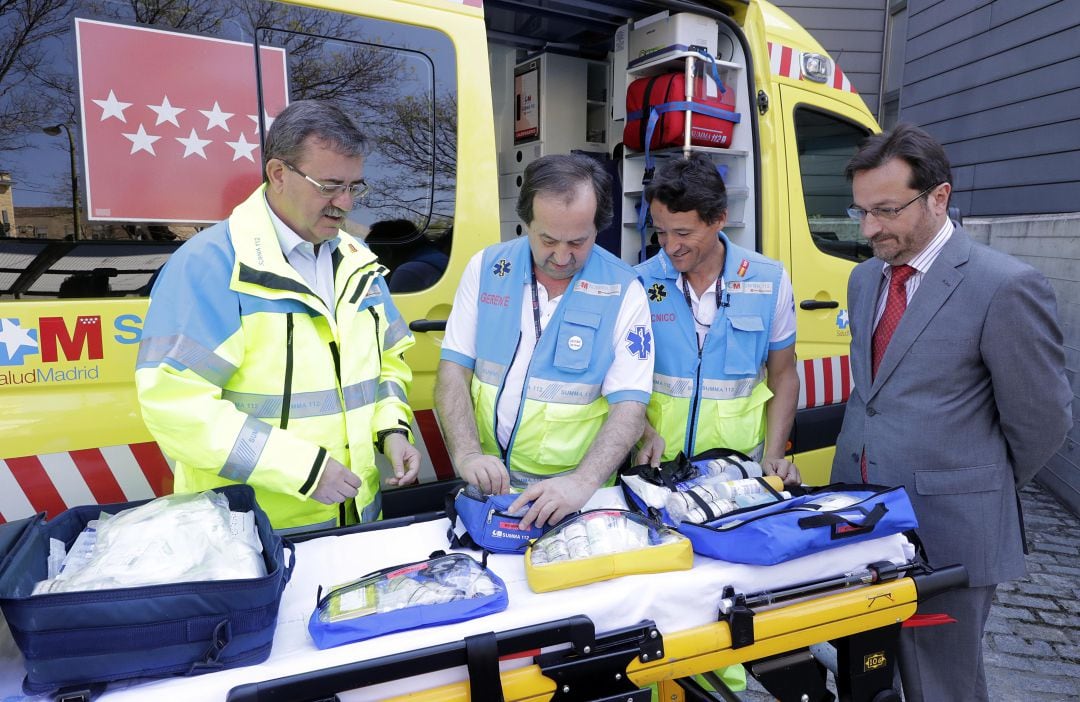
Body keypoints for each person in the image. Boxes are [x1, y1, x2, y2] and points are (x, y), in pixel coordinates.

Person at [833, 123, 1071, 702]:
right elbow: (877, 395)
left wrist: (978, 485)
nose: (869, 229)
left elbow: (1043, 418)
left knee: (942, 681)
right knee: (867, 673)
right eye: (861, 211)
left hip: (951, 529)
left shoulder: (1005, 286)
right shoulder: (865, 279)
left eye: (886, 210)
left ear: (939, 197)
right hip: (860, 517)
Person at [135, 100, 421, 533]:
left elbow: (387, 365)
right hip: (251, 535)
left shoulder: (358, 260)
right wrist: (301, 468)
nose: (344, 204)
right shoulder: (210, 265)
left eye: (354, 187)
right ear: (278, 174)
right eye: (328, 186)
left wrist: (392, 430)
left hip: (355, 520)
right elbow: (175, 405)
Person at [435, 154, 653, 530]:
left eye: (578, 242)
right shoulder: (487, 269)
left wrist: (582, 483)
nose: (562, 256)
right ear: (526, 223)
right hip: (490, 489)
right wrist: (468, 454)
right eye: (548, 240)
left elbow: (630, 407)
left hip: (579, 498)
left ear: (598, 228)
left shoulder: (625, 289)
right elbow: (453, 371)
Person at [635, 153, 800, 485]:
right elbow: (616, 381)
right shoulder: (639, 283)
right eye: (661, 232)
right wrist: (643, 433)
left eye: (683, 233)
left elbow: (783, 376)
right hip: (655, 470)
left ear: (720, 219)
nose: (670, 246)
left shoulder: (770, 281)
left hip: (738, 473)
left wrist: (774, 455)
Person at [366, 218, 450, 293]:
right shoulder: (435, 257)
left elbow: (389, 308)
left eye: (375, 255)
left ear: (387, 252)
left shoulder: (410, 271)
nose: (375, 263)